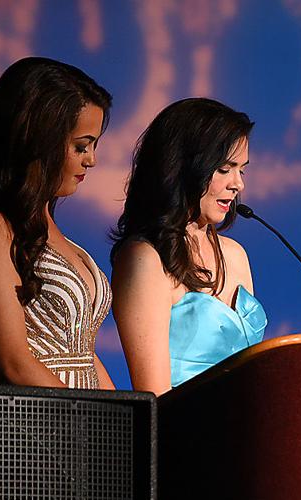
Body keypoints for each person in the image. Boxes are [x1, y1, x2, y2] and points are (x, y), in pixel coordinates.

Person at [0, 57, 114, 389]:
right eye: (81, 146)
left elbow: (84, 354)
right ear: (39, 139)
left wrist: (127, 415)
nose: (92, 160)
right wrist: (92, 415)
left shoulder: (48, 227)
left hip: (86, 415)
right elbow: (13, 365)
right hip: (34, 417)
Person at [110, 98, 265, 394]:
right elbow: (155, 394)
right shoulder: (145, 258)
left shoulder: (235, 255)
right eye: (225, 169)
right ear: (183, 167)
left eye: (242, 170)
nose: (238, 184)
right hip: (184, 422)